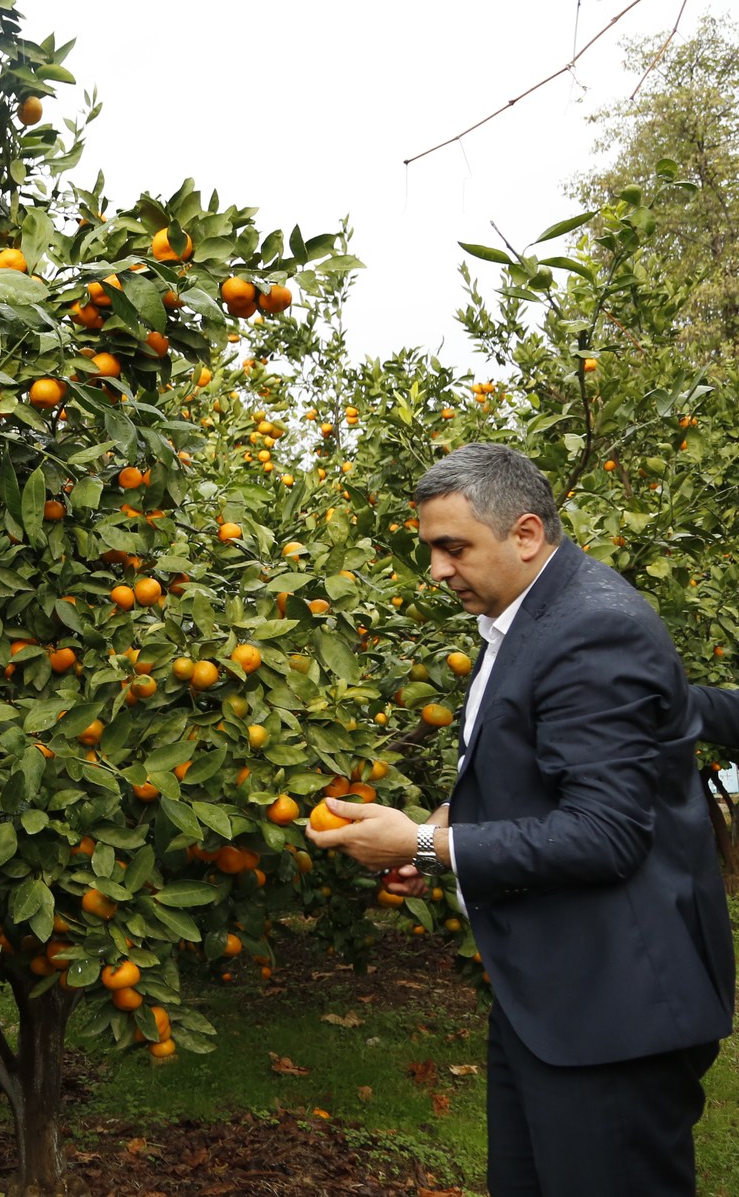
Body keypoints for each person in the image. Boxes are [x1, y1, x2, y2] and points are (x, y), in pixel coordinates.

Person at [310, 442, 733, 1197]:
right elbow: (539, 766)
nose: (437, 569)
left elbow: (605, 834)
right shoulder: (526, 618)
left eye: (453, 547)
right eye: (431, 549)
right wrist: (441, 831)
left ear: (527, 533)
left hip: (614, 1009)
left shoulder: (591, 628)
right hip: (551, 994)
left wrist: (424, 842)